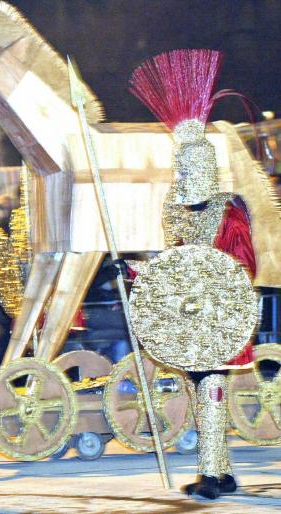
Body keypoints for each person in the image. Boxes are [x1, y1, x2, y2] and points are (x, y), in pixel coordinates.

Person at [130, 49, 259, 500]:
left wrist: (216, 296)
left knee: (210, 392)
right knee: (205, 394)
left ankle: (211, 477)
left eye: (192, 165)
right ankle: (221, 472)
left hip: (220, 319)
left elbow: (240, 268)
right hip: (187, 320)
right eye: (180, 164)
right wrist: (137, 270)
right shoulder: (176, 210)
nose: (184, 173)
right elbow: (175, 264)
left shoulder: (229, 211)